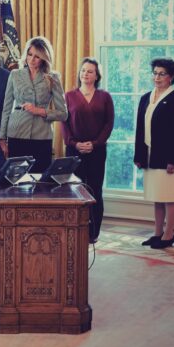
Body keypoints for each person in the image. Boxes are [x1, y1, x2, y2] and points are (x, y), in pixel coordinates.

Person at [134, 58, 174, 249]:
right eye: (155, 73)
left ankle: (168, 235)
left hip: (168, 159)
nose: (157, 77)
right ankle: (157, 233)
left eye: (162, 73)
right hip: (150, 155)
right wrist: (139, 156)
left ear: (171, 77)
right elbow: (140, 129)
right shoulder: (146, 98)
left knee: (169, 196)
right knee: (157, 196)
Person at [61, 58, 114, 243]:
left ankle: (93, 233)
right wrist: (75, 144)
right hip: (74, 151)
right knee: (76, 190)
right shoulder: (68, 96)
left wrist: (95, 143)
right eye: (83, 70)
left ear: (97, 75)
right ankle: (77, 229)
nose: (85, 74)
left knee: (95, 190)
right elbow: (64, 124)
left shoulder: (105, 97)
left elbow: (109, 124)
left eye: (90, 71)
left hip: (97, 151)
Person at [0, 36, 67, 172]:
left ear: (44, 58)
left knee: (40, 182)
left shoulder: (52, 78)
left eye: (37, 56)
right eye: (29, 54)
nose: (31, 59)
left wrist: (40, 111)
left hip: (41, 136)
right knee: (16, 180)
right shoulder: (15, 75)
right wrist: (2, 138)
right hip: (16, 134)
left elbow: (63, 114)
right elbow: (6, 108)